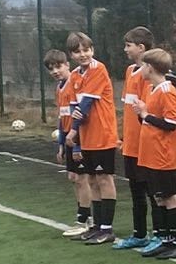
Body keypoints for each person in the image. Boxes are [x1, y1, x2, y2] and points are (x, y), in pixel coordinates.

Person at [63, 32, 119, 244]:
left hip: (102, 134)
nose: (83, 54)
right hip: (87, 137)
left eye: (86, 50)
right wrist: (77, 138)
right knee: (93, 180)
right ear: (71, 55)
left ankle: (107, 228)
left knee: (104, 178)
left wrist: (73, 131)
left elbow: (85, 104)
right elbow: (73, 106)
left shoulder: (98, 69)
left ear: (92, 50)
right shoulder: (74, 75)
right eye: (77, 51)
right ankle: (97, 225)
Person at [132, 50, 176, 259]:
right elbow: (149, 119)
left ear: (150, 67)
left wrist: (145, 114)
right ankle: (166, 240)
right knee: (160, 198)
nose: (141, 69)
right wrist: (142, 114)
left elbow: (171, 124)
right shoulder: (151, 88)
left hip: (163, 156)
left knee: (170, 197)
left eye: (143, 65)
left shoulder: (167, 90)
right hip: (151, 155)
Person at [113, 27, 155, 251]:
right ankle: (139, 233)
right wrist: (122, 137)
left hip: (146, 144)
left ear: (141, 47)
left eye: (128, 45)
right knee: (136, 190)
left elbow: (148, 110)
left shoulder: (150, 74)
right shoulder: (130, 70)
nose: (125, 49)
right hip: (131, 143)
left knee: (152, 191)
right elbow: (127, 108)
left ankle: (161, 234)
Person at [44, 48, 88, 238]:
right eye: (51, 68)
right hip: (68, 140)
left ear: (67, 65)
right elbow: (62, 119)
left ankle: (85, 220)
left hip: (79, 139)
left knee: (82, 179)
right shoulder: (59, 88)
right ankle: (84, 217)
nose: (55, 71)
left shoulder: (75, 84)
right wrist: (61, 145)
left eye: (58, 66)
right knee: (73, 178)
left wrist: (77, 145)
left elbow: (80, 115)